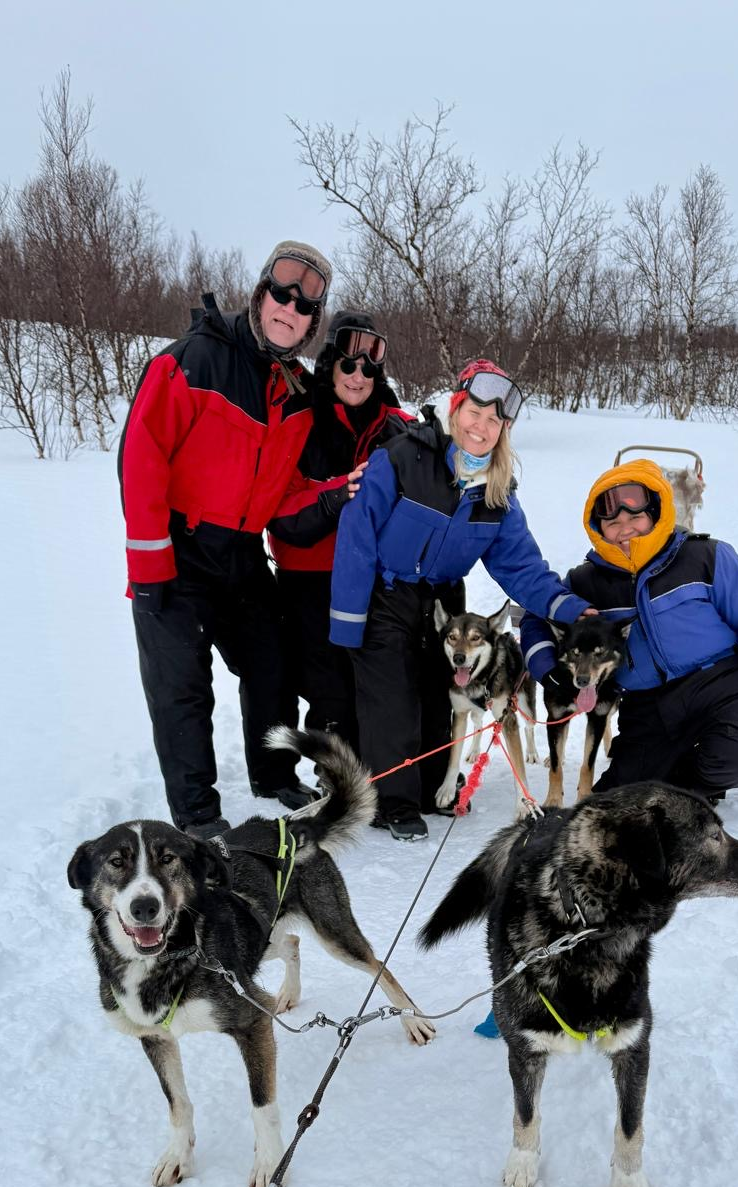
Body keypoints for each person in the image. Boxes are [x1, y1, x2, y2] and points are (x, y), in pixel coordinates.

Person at [119, 240, 334, 845]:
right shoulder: (194, 360)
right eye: (281, 293)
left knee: (270, 663)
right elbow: (140, 458)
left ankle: (272, 775)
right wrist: (150, 560)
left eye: (303, 306)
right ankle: (195, 811)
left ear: (310, 323)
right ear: (261, 294)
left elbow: (289, 492)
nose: (288, 309)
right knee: (182, 685)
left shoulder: (295, 393)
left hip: (240, 556)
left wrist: (339, 492)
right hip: (177, 548)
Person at [329, 359, 591, 841]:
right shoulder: (403, 458)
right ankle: (393, 801)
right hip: (386, 593)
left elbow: (522, 567)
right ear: (456, 409)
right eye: (474, 412)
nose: (481, 426)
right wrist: (347, 622)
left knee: (437, 696)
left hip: (444, 600)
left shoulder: (497, 493)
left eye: (495, 421)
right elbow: (357, 534)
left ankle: (432, 788)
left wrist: (571, 609)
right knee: (392, 700)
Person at [521, 459, 738, 803]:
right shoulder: (586, 581)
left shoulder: (705, 556)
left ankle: (695, 783)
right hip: (646, 704)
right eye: (613, 522)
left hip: (719, 684)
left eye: (635, 517)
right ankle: (665, 777)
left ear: (657, 513)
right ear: (598, 528)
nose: (625, 528)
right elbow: (536, 617)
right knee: (616, 800)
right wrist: (547, 669)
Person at [267, 311, 412, 752]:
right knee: (327, 685)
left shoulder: (397, 424)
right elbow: (282, 512)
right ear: (330, 364)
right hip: (311, 576)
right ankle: (334, 774)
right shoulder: (301, 419)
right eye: (348, 364)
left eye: (369, 367)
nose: (358, 376)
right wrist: (337, 495)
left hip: (373, 578)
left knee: (376, 680)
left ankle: (386, 771)